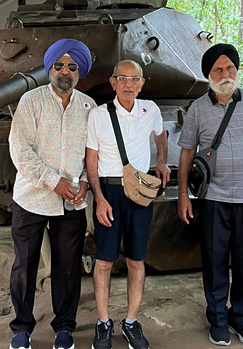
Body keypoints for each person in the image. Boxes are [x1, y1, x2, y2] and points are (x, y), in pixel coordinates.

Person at [177, 44, 243, 347]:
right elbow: (187, 153)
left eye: (230, 68)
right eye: (218, 69)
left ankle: (241, 319)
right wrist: (183, 194)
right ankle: (218, 319)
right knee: (215, 260)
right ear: (208, 75)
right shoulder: (198, 108)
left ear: (237, 70)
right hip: (214, 198)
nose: (225, 74)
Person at [7, 39, 97, 349]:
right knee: (25, 265)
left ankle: (65, 328)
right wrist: (52, 181)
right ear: (50, 68)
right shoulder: (30, 102)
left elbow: (92, 154)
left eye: (72, 66)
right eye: (59, 65)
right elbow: (19, 151)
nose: (65, 71)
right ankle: (21, 329)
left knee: (67, 267)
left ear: (79, 72)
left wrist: (84, 183)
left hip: (71, 202)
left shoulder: (89, 107)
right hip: (31, 198)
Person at [86, 60, 170, 349]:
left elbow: (161, 134)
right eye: (122, 78)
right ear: (112, 83)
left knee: (136, 261)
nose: (128, 84)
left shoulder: (151, 110)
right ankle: (103, 322)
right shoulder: (98, 115)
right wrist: (98, 200)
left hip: (139, 193)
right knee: (105, 262)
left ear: (142, 83)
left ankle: (131, 321)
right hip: (109, 191)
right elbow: (91, 162)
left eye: (134, 79)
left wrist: (161, 160)